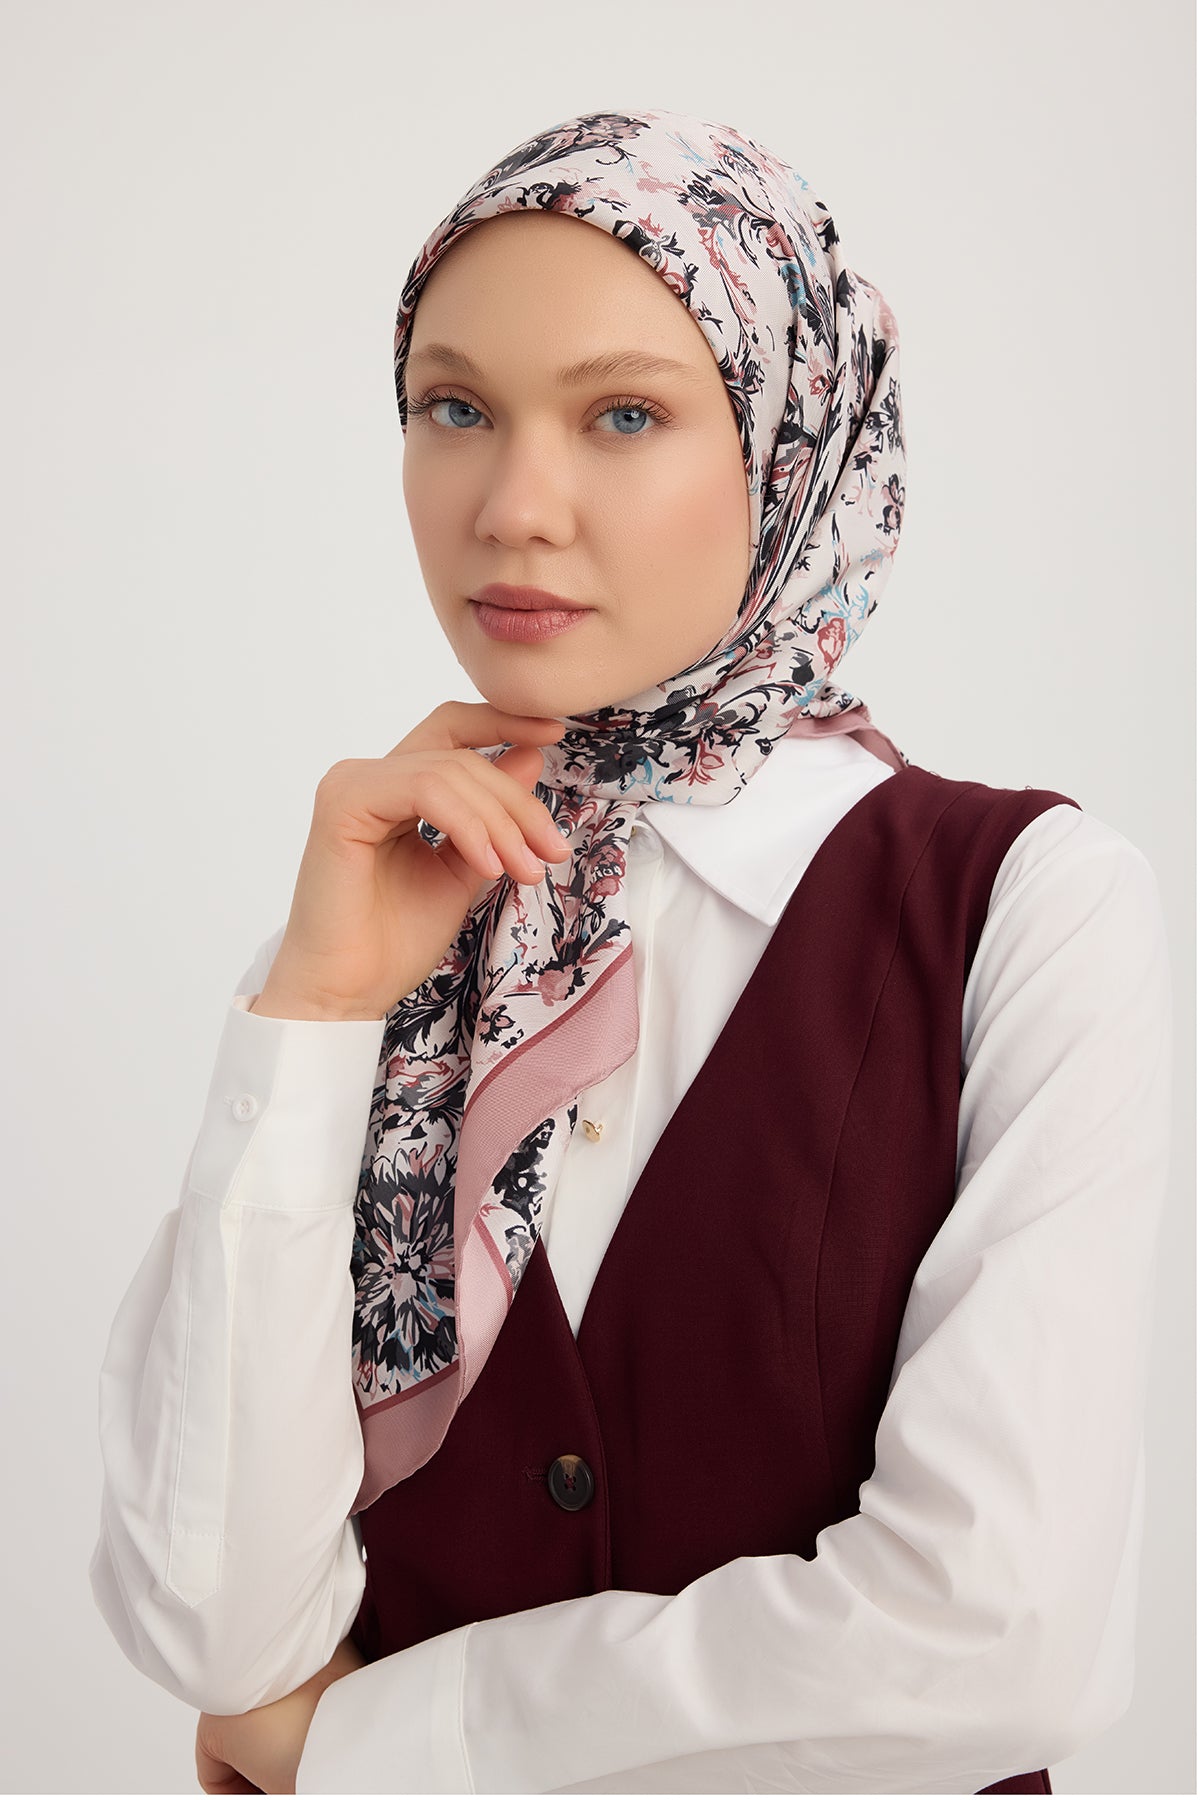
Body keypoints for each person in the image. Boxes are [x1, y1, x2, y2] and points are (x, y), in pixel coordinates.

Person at [88, 108, 1172, 1796]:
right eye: (455, 408)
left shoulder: (1023, 909)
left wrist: (382, 1747)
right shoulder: (378, 937)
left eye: (624, 415)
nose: (515, 508)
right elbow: (220, 1633)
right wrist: (312, 1009)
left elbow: (990, 1638)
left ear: (788, 444)